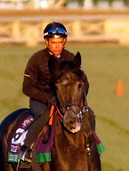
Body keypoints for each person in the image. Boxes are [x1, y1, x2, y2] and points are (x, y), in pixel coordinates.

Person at [20, 22, 93, 163]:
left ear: (65, 41)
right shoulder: (36, 59)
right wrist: (48, 98)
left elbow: (84, 82)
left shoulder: (72, 58)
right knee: (45, 116)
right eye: (54, 43)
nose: (57, 46)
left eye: (60, 42)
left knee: (89, 115)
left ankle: (92, 147)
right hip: (41, 101)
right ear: (47, 42)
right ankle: (26, 148)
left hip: (68, 102)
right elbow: (27, 87)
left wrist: (78, 101)